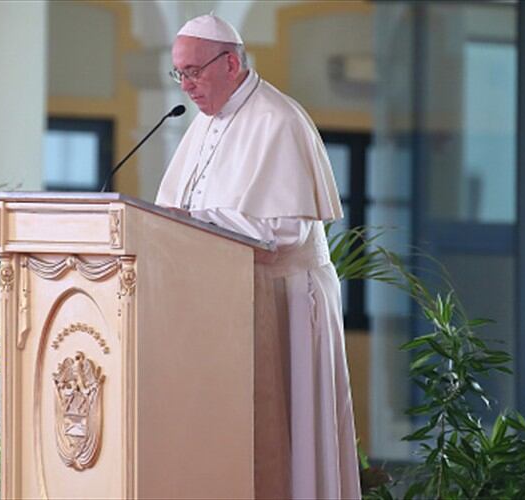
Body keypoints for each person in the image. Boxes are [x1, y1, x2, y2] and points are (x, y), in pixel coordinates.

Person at [156, 14, 361, 500]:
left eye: (193, 72)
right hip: (225, 305)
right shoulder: (203, 126)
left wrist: (197, 220)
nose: (186, 86)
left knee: (293, 443)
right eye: (179, 74)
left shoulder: (278, 119)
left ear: (230, 64)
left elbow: (285, 228)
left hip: (286, 300)